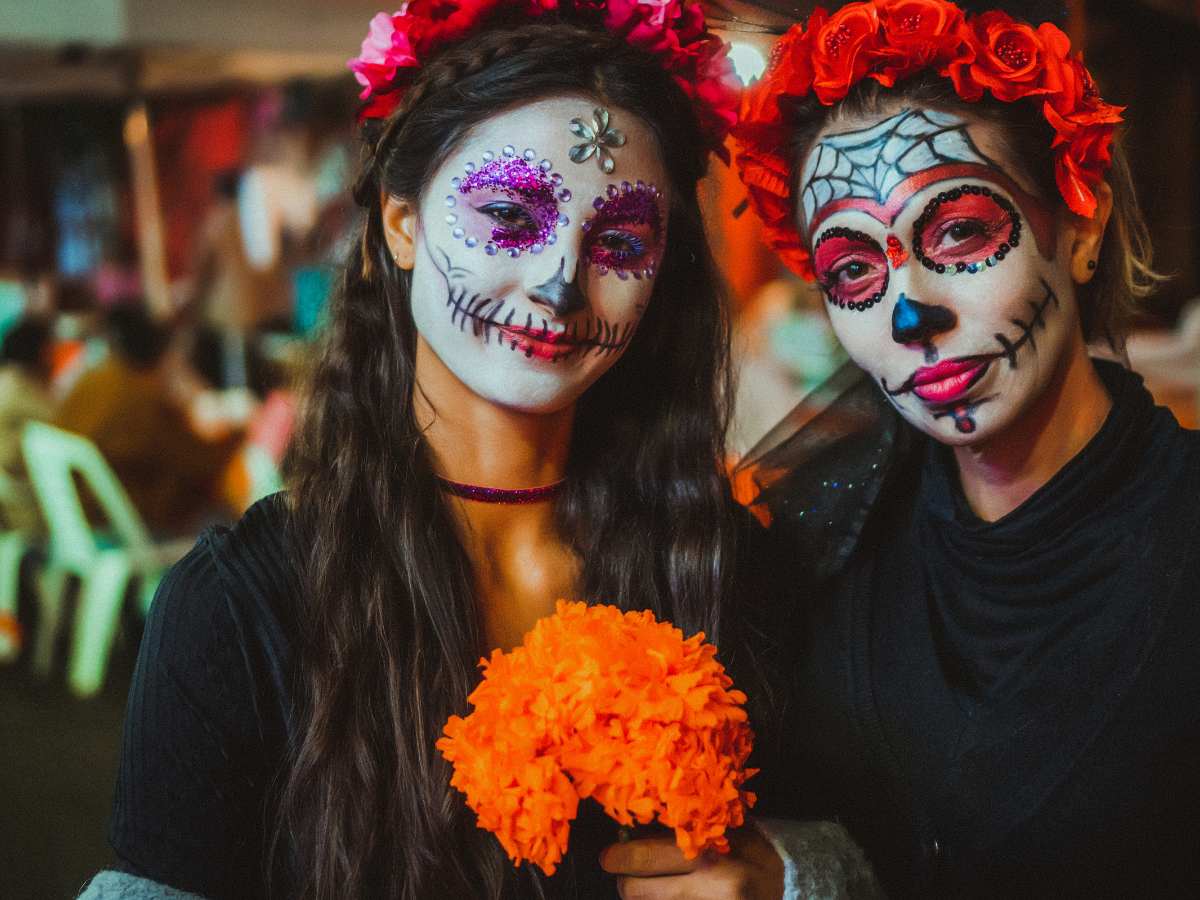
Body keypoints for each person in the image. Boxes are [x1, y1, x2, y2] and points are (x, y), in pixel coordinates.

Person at [79, 3, 849, 898]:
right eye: (510, 213)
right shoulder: (241, 608)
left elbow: (851, 841)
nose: (561, 280)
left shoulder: (729, 571)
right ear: (401, 223)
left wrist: (793, 876)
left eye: (622, 241)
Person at [719, 1, 1200, 897]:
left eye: (960, 231)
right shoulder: (811, 544)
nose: (909, 313)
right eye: (854, 269)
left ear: (1081, 225)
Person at [56, 304, 242, 535]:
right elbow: (200, 462)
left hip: (75, 517)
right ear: (163, 354)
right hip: (123, 526)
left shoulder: (94, 378)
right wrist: (240, 430)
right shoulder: (143, 397)